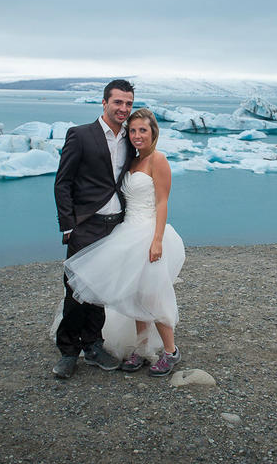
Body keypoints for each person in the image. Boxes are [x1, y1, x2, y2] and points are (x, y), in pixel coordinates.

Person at [64, 108, 186, 377]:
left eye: (143, 130)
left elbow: (162, 202)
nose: (137, 135)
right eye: (132, 130)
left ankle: (170, 351)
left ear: (153, 131)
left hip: (149, 232)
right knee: (135, 293)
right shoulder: (133, 161)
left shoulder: (158, 159)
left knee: (153, 293)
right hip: (127, 230)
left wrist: (157, 240)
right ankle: (142, 349)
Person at [52, 79, 135, 379]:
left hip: (116, 227)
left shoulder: (130, 138)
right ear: (104, 103)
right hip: (86, 225)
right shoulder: (81, 135)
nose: (123, 108)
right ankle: (68, 352)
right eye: (118, 102)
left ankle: (93, 345)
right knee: (75, 290)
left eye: (128, 103)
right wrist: (68, 226)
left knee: (100, 290)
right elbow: (63, 183)